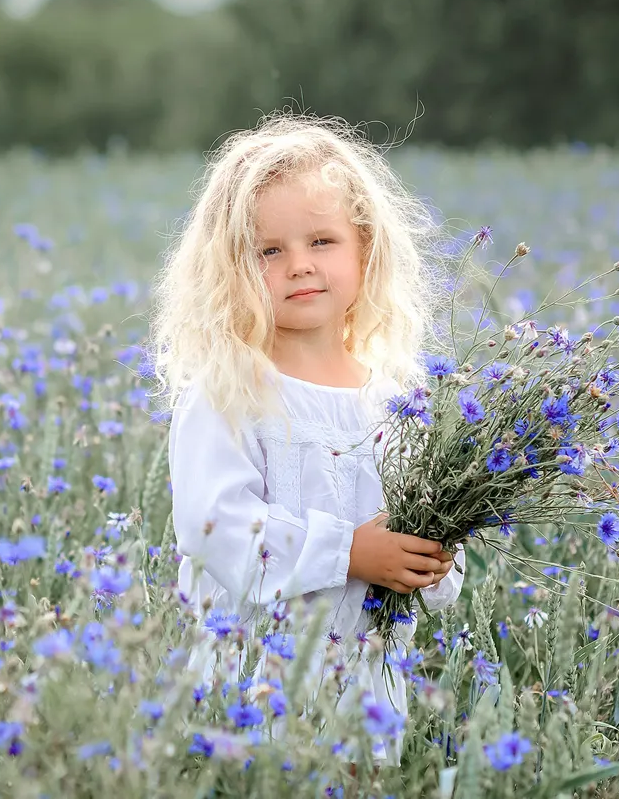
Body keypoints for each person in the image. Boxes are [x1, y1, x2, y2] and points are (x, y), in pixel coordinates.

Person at [146, 112, 466, 767]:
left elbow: (429, 538)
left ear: (364, 250)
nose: (299, 266)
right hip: (252, 688)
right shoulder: (228, 393)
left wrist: (433, 563)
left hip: (365, 690)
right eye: (269, 251)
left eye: (322, 241)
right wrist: (349, 553)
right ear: (231, 268)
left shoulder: (397, 401)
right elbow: (215, 527)